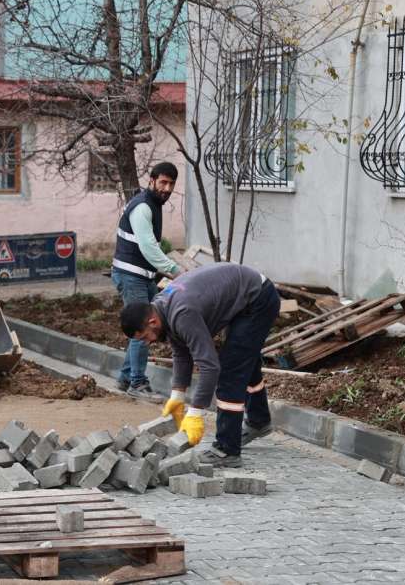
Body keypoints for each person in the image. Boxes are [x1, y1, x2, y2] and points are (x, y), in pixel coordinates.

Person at [119, 262, 279, 468]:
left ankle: (226, 450)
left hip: (258, 300)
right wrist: (177, 395)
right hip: (246, 293)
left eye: (144, 337)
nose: (147, 343)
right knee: (243, 359)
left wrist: (196, 412)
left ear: (152, 322)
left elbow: (210, 366)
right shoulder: (162, 307)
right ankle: (259, 422)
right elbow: (181, 351)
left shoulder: (182, 312)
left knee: (231, 372)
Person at [111, 162, 181, 399]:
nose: (167, 188)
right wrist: (174, 271)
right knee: (145, 325)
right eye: (163, 182)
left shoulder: (152, 204)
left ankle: (125, 378)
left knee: (150, 322)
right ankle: (138, 383)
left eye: (171, 183)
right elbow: (148, 247)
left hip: (141, 276)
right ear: (151, 180)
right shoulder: (143, 207)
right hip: (132, 276)